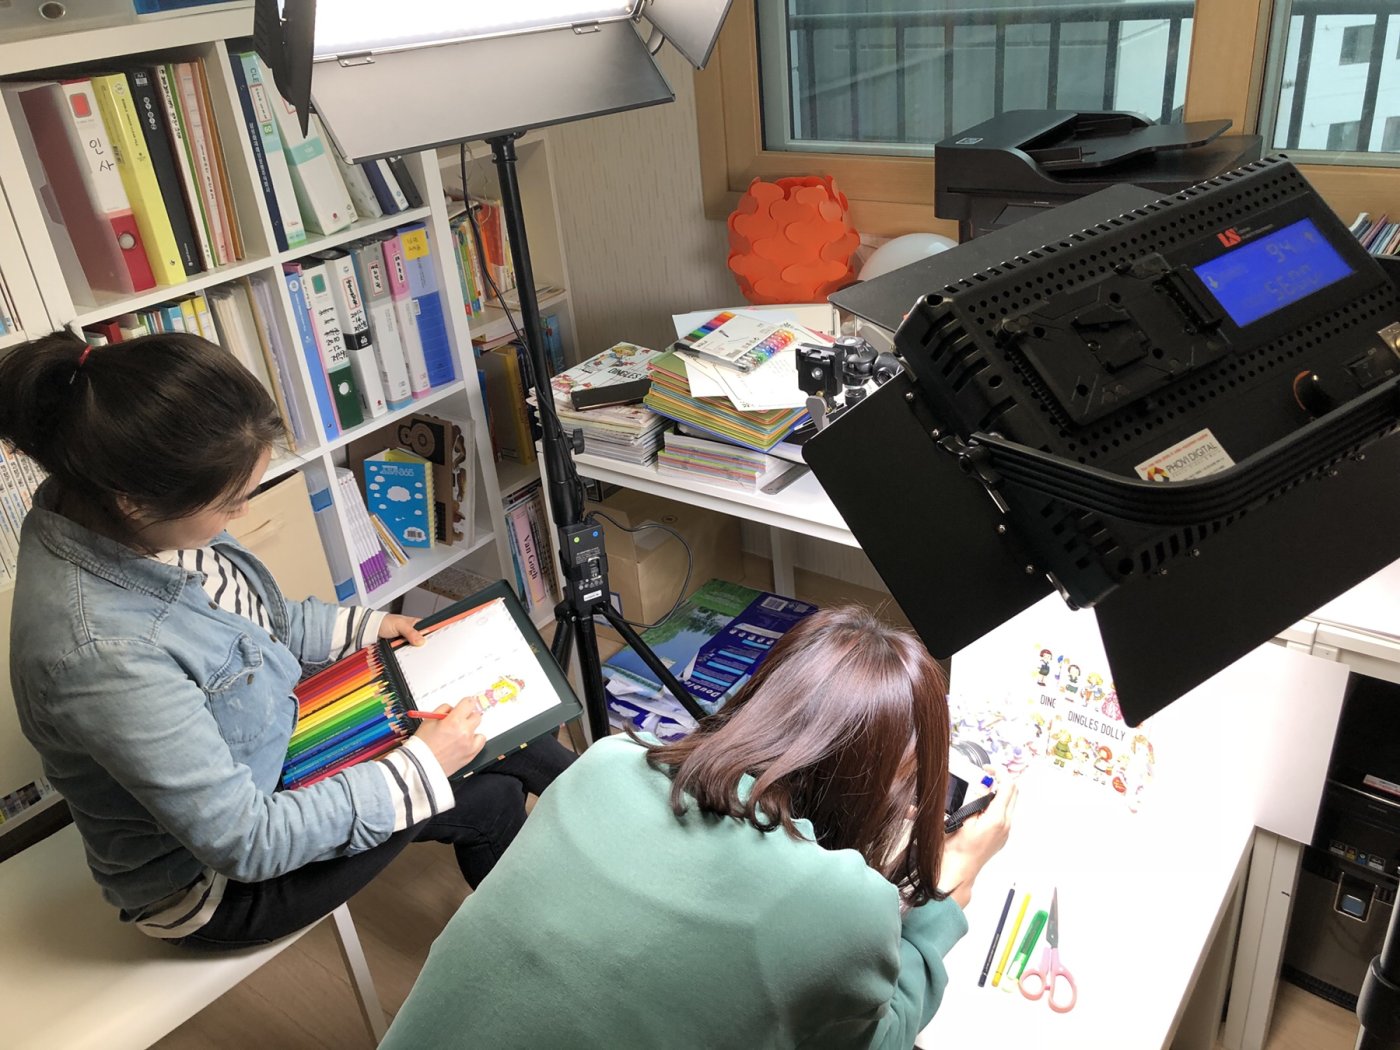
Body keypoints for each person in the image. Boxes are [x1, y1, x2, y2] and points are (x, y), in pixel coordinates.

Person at [0, 331, 575, 949]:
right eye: (231, 503)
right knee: (488, 795)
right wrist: (423, 764)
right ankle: (556, 951)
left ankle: (617, 841)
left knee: (508, 717)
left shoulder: (128, 510)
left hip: (278, 739)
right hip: (217, 886)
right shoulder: (102, 654)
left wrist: (369, 626)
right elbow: (247, 840)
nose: (242, 516)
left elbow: (258, 620)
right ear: (136, 502)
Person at [382, 605, 1019, 1049]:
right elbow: (878, 1038)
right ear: (875, 788)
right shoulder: (845, 901)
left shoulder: (606, 762)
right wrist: (948, 892)